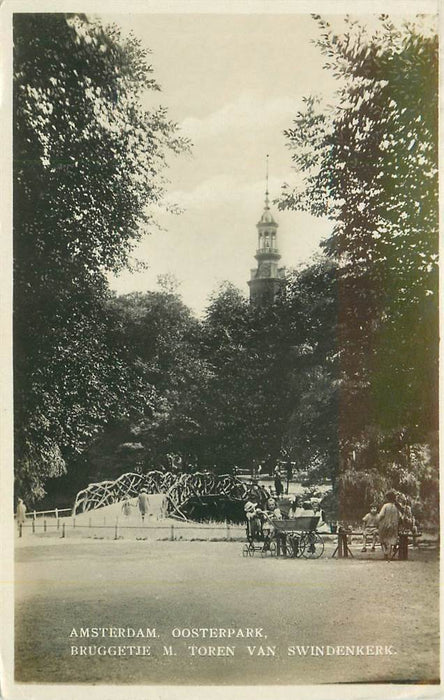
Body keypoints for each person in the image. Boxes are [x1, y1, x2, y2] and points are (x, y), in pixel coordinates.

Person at [377, 491, 400, 561]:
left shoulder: (385, 506)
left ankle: (385, 553)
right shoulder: (396, 507)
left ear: (387, 498)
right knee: (390, 540)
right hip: (393, 526)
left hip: (385, 525)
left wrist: (377, 520)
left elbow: (381, 515)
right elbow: (399, 517)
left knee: (382, 539)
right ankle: (389, 554)